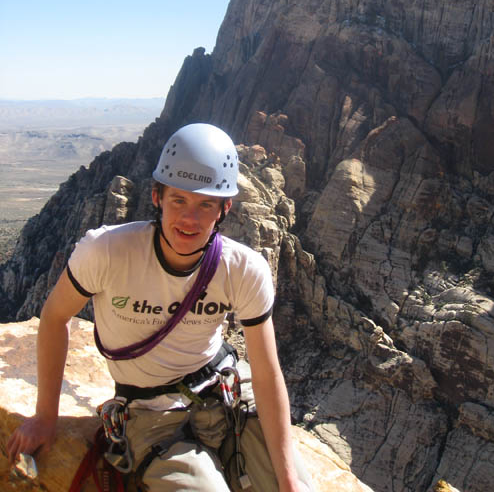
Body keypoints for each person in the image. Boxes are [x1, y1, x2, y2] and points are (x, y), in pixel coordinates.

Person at [8, 123, 313, 492]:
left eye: (205, 205)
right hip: (150, 415)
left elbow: (266, 372)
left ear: (224, 209)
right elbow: (56, 317)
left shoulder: (244, 269)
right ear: (157, 197)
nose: (190, 219)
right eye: (178, 200)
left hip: (227, 394)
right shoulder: (106, 251)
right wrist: (45, 417)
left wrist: (288, 480)